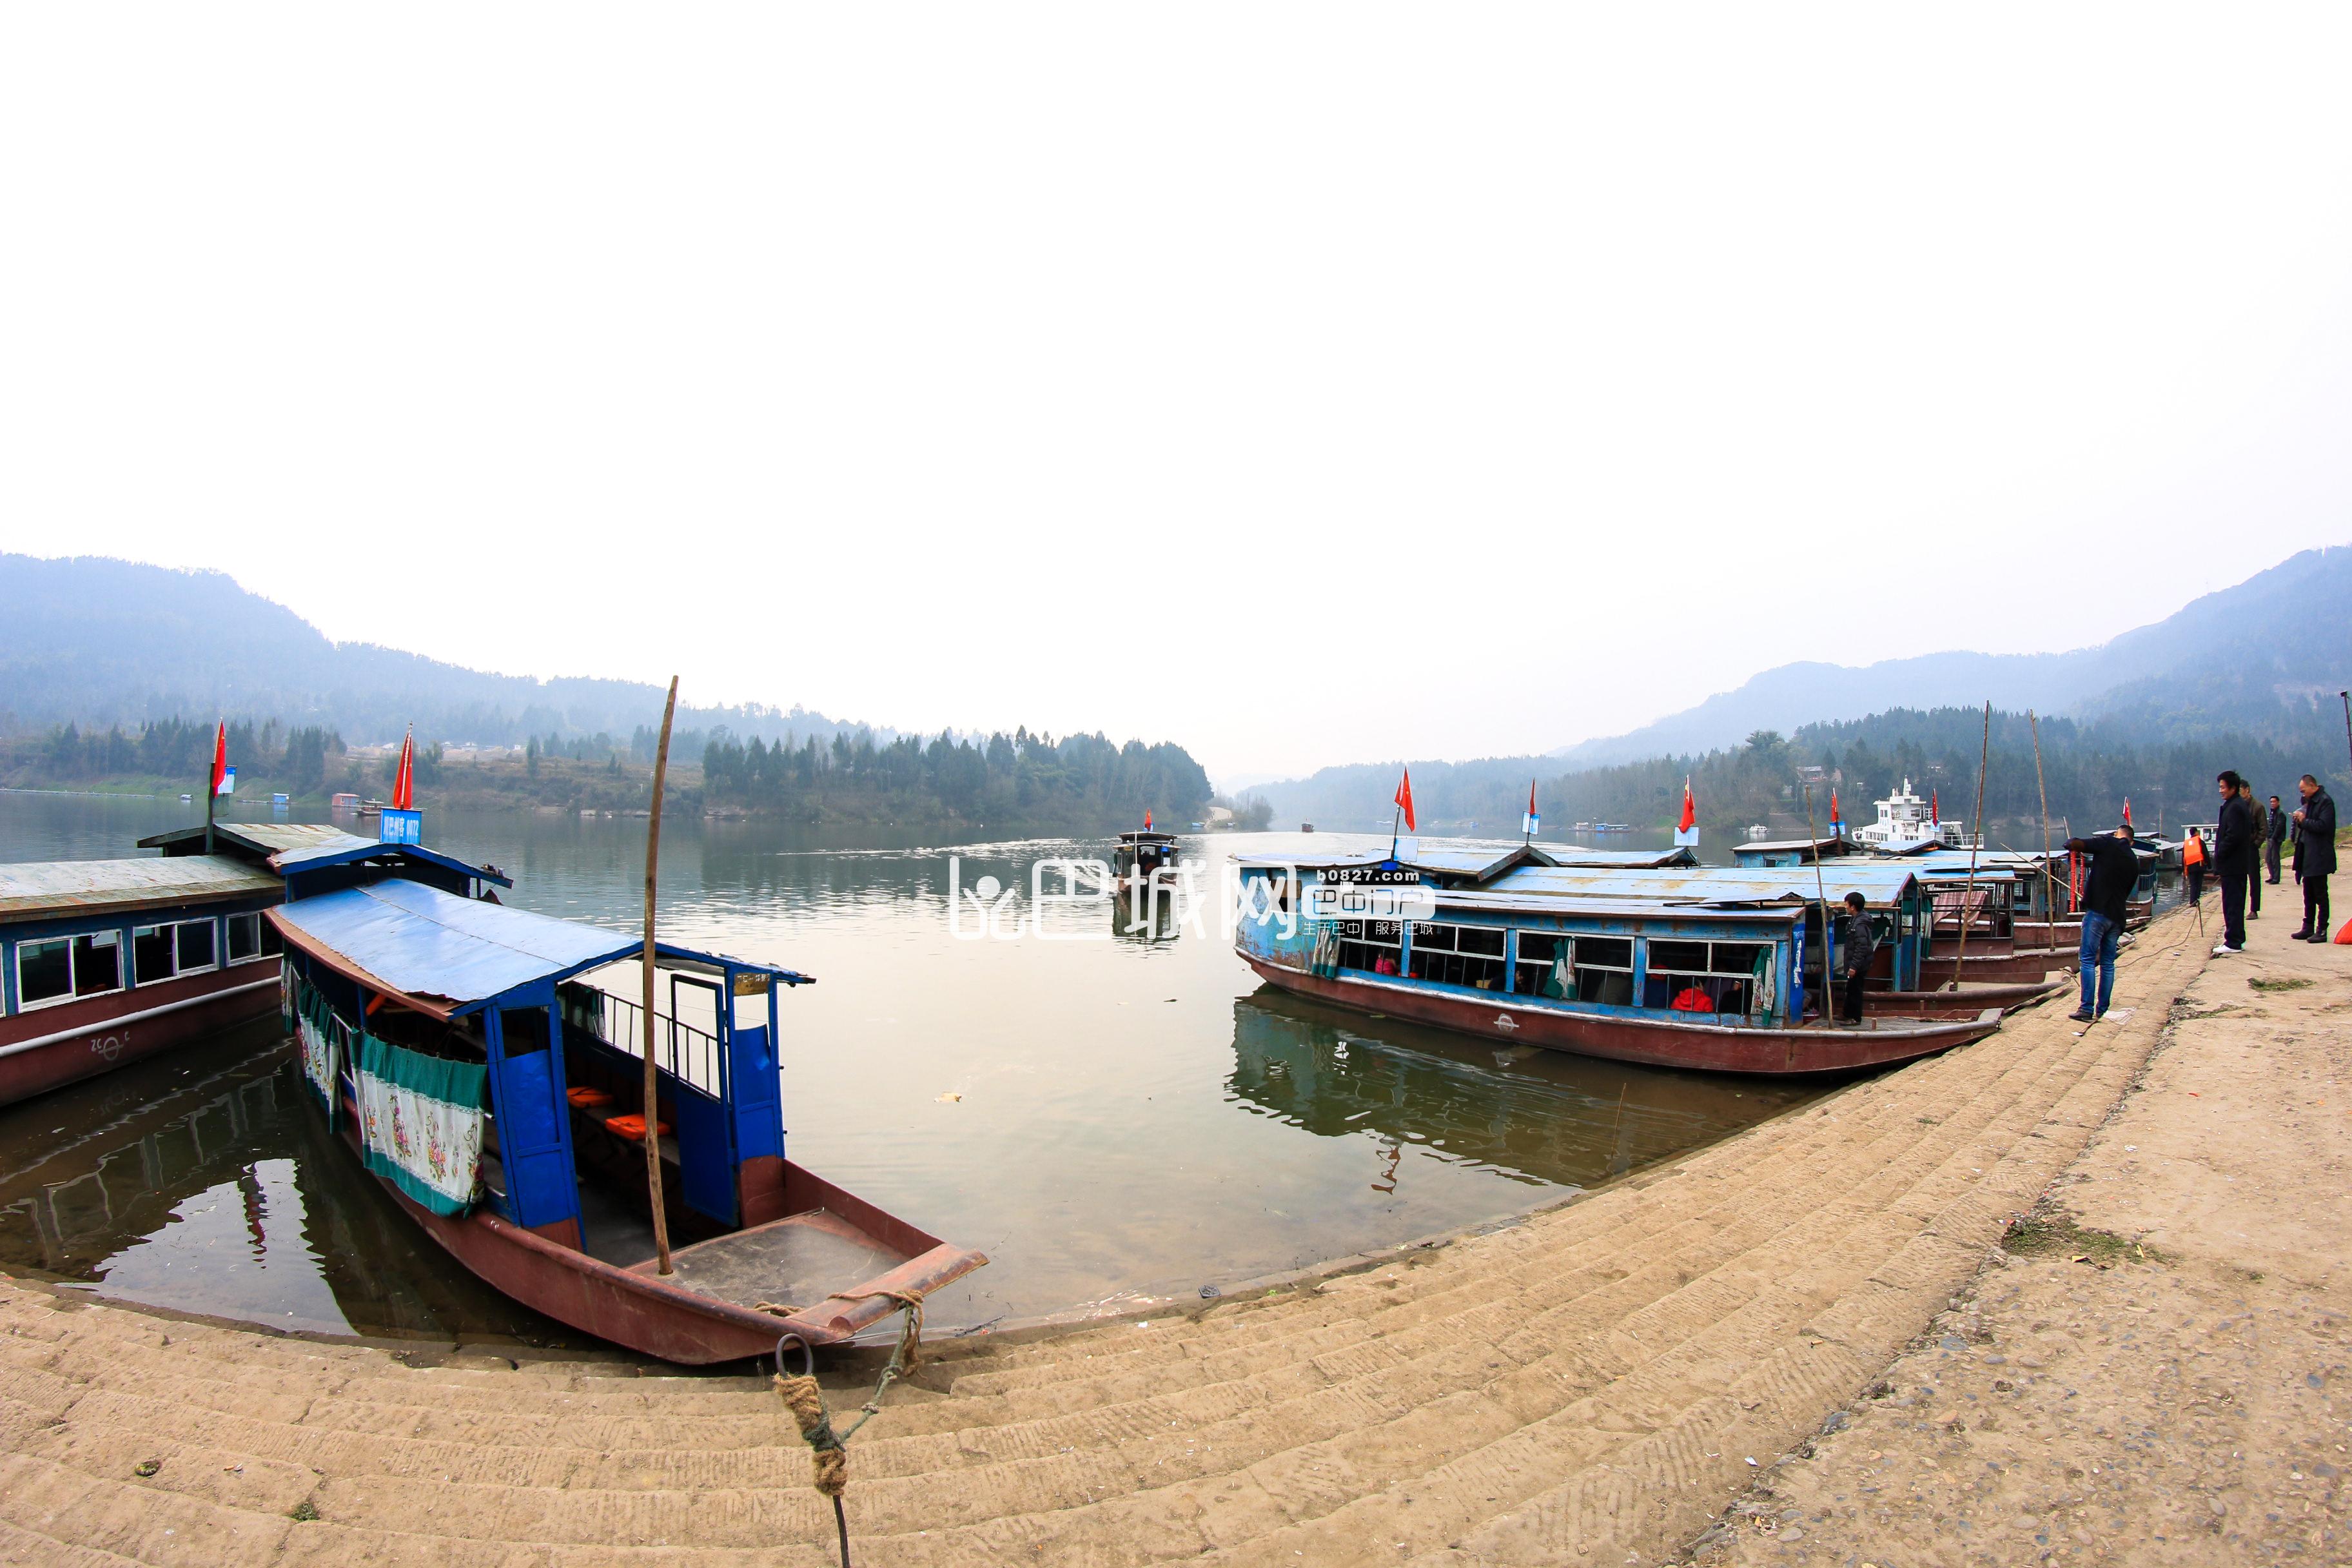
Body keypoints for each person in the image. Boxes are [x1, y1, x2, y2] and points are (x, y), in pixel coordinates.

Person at [2066, 826, 2141, 1022]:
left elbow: (2076, 844)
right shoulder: (2133, 861)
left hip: (2098, 913)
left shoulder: (2108, 843)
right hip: (2117, 918)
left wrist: (2070, 843)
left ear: (2118, 834)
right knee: (2108, 963)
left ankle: (2086, 1008)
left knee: (2088, 960)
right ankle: (2103, 1009)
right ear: (2131, 842)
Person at [2291, 772, 2337, 942]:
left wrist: (2304, 821)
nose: (2303, 794)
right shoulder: (2310, 802)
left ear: (2312, 786)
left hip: (2320, 855)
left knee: (2320, 894)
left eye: (2304, 791)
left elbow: (2324, 826)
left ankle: (2322, 929)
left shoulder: (2325, 802)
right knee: (2308, 893)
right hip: (2308, 854)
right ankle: (2308, 926)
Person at [2212, 770, 2252, 955]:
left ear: (2233, 788)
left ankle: (2234, 941)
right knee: (2231, 902)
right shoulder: (2233, 805)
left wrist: (2220, 854)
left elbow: (2233, 836)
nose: (2220, 790)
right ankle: (2235, 938)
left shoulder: (2236, 807)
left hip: (2233, 864)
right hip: (2233, 865)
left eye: (2223, 787)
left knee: (2233, 903)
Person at [1839, 890, 1875, 1026]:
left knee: (1855, 990)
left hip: (1859, 964)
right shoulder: (1856, 920)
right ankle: (1847, 1014)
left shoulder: (1859, 925)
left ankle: (1856, 1018)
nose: (1845, 907)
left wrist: (1854, 966)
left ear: (1853, 906)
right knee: (1851, 988)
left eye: (1847, 904)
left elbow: (1861, 947)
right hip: (1856, 962)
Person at [2245, 790, 2267, 919]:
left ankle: (2254, 909)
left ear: (2247, 790)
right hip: (2240, 848)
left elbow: (2264, 828)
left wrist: (2256, 844)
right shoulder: (2239, 805)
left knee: (2254, 879)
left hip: (2251, 847)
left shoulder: (2258, 807)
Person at [2266, 794, 2289, 885]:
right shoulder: (2272, 813)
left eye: (2274, 802)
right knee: (2268, 858)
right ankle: (2272, 876)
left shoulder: (2280, 814)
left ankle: (2276, 878)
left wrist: (2274, 837)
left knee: (2275, 858)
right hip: (2270, 838)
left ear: (2278, 802)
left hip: (2276, 839)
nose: (2272, 803)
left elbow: (2279, 827)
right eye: (2271, 802)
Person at [2182, 828, 2206, 907]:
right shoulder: (2201, 842)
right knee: (2199, 884)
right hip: (2200, 867)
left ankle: (2192, 901)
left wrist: (2184, 869)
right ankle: (2196, 900)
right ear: (2196, 832)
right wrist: (2210, 866)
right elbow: (2206, 854)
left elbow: (2184, 857)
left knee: (2193, 885)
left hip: (2190, 867)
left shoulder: (2186, 844)